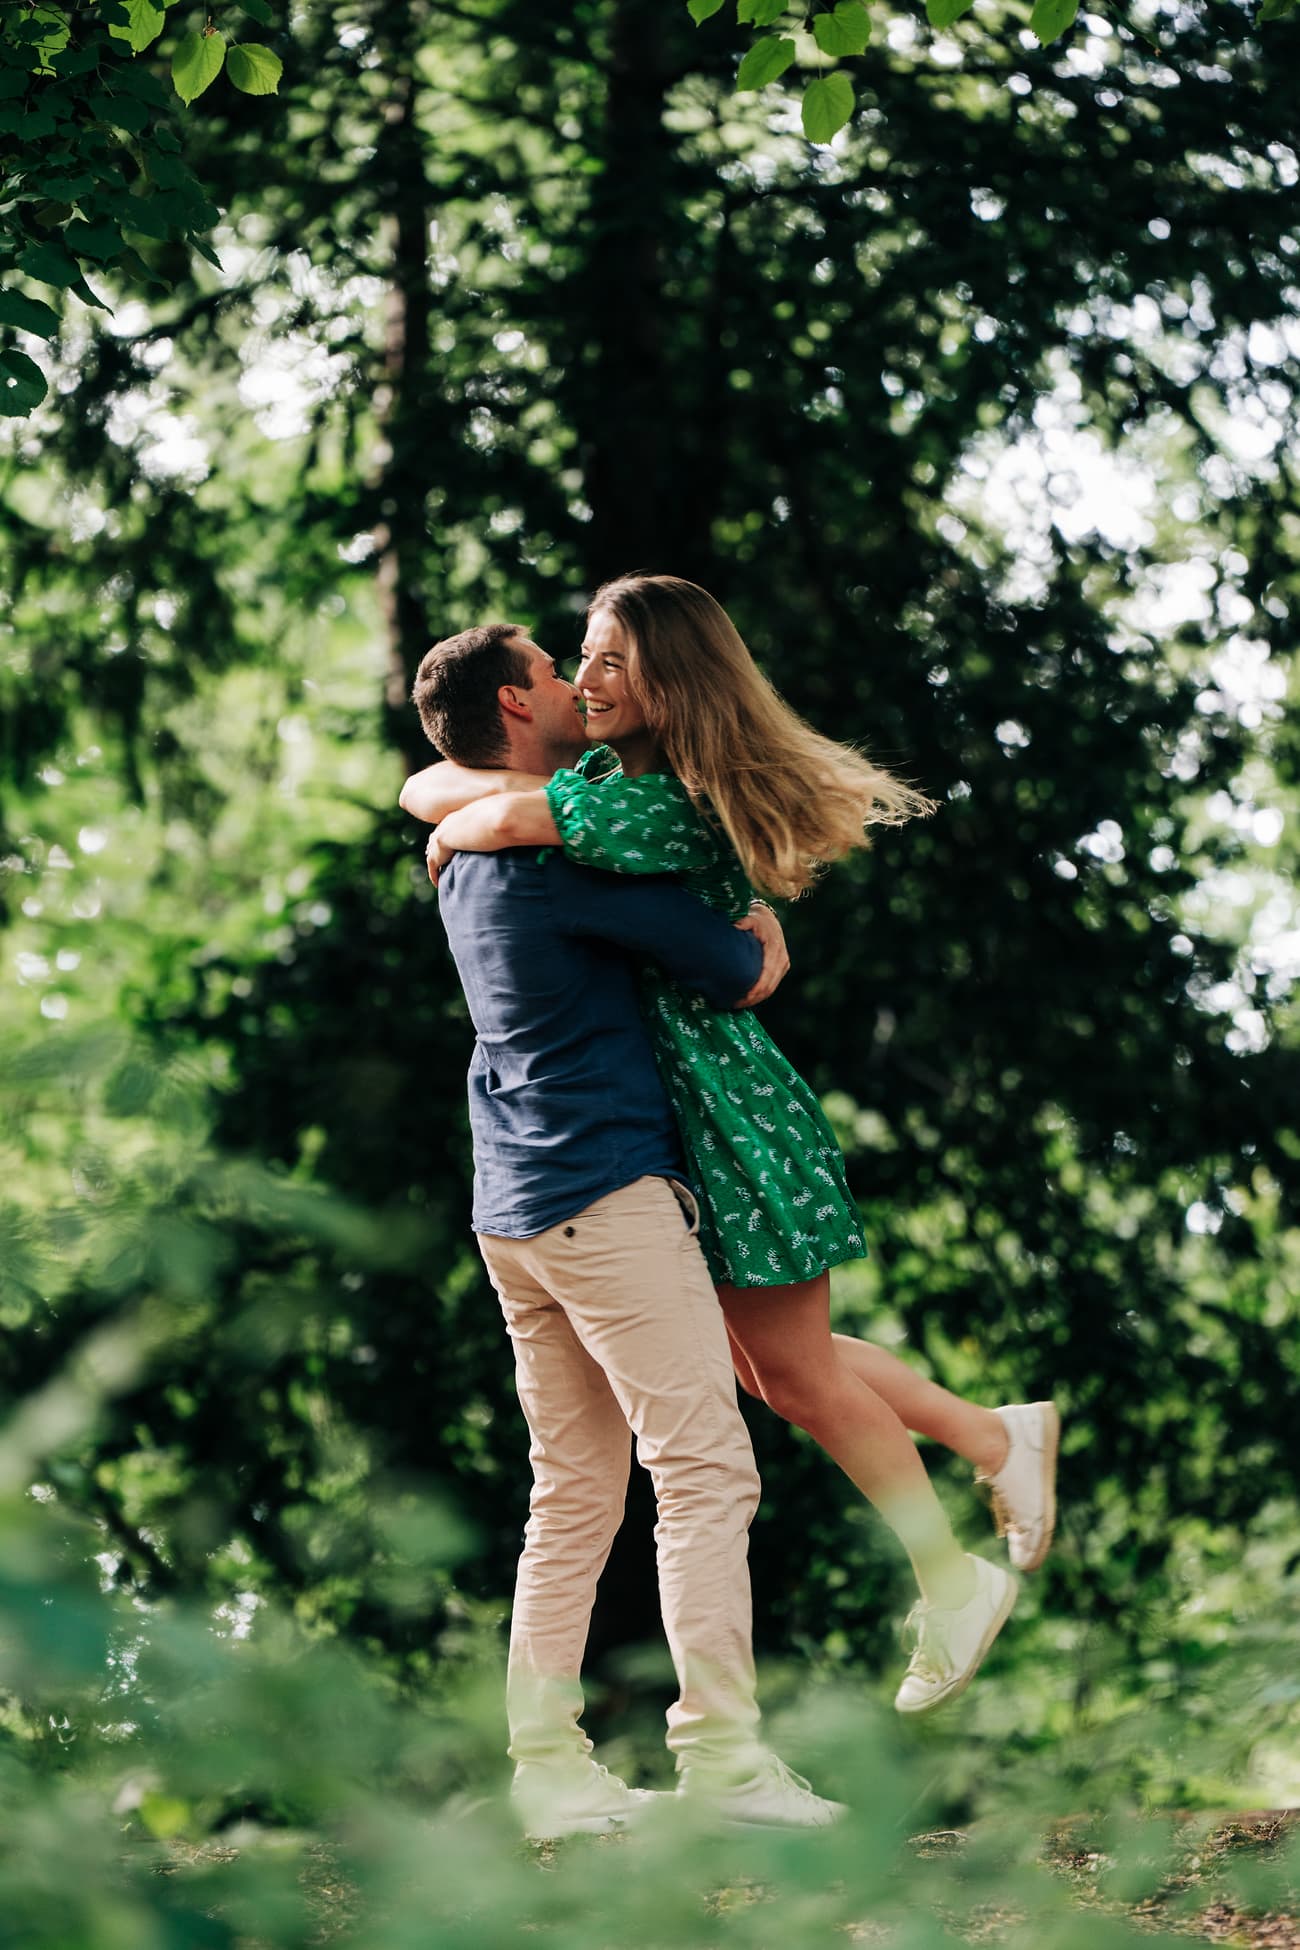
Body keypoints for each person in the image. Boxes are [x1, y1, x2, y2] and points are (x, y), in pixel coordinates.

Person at [402, 576, 1060, 1717]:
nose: (587, 679)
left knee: (789, 1372)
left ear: (670, 681)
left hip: (728, 1115)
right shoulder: (609, 778)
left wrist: (467, 821)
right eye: (575, 662)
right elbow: (436, 780)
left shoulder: (656, 807)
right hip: (666, 1128)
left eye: (608, 661)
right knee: (765, 1367)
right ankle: (988, 1436)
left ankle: (950, 1577)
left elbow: (505, 816)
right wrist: (456, 805)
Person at [412, 620, 844, 1839]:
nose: (571, 683)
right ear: (513, 707)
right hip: (602, 1193)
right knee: (705, 1468)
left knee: (575, 1491)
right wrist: (758, 933)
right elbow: (728, 965)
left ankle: (546, 1769)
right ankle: (723, 1762)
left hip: (512, 1206)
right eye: (551, 672)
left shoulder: (466, 852)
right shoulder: (567, 856)